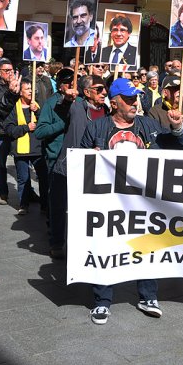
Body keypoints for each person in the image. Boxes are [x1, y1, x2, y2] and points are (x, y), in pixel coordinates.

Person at [81, 78, 183, 324]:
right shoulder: (97, 128)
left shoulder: (148, 124)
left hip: (142, 203)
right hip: (109, 203)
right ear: (114, 103)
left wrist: (177, 128)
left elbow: (176, 149)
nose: (133, 103)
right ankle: (102, 302)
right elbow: (77, 159)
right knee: (105, 248)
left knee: (146, 246)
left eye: (135, 98)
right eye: (128, 100)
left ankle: (147, 296)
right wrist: (90, 159)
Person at [46, 74, 108, 259]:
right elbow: (62, 109)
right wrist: (66, 98)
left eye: (104, 88)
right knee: (59, 206)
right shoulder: (75, 105)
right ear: (87, 92)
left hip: (93, 169)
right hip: (68, 165)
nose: (104, 92)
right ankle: (57, 243)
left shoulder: (106, 110)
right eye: (99, 89)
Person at [3, 77, 42, 215]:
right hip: (21, 150)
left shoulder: (38, 105)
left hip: (37, 148)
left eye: (32, 89)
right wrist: (26, 127)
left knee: (43, 177)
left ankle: (45, 204)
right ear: (20, 92)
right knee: (23, 178)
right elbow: (9, 129)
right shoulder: (14, 108)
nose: (30, 92)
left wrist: (37, 111)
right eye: (27, 89)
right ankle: (23, 204)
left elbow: (45, 123)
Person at [0, 59, 22, 205]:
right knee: (0, 163)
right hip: (0, 129)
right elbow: (2, 107)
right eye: (6, 71)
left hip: (17, 128)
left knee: (21, 162)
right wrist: (11, 92)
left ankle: (26, 192)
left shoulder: (16, 83)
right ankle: (3, 192)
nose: (10, 73)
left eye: (11, 70)